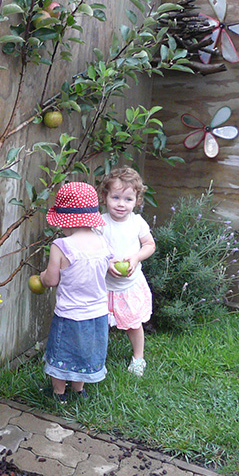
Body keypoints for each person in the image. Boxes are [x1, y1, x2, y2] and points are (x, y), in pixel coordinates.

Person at [40, 182, 112, 402]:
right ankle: (79, 390)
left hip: (70, 314)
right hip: (98, 313)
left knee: (63, 354)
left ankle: (59, 394)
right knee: (83, 354)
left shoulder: (61, 246)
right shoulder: (102, 241)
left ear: (64, 221)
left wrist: (41, 277)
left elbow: (51, 280)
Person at [97, 167, 156, 377]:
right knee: (98, 324)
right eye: (115, 197)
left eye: (128, 199)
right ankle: (96, 358)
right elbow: (94, 248)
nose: (121, 204)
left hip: (129, 285)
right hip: (104, 285)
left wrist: (136, 257)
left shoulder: (137, 223)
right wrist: (107, 261)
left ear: (137, 200)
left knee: (133, 324)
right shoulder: (100, 223)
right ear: (104, 197)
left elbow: (149, 244)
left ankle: (138, 357)